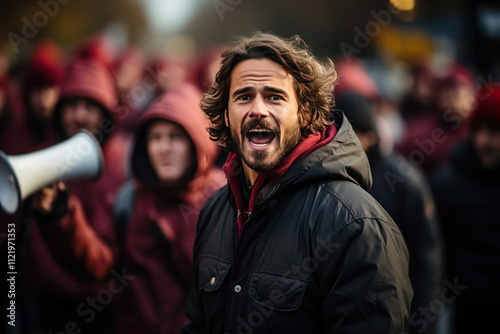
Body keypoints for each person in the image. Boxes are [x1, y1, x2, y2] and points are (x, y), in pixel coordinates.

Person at [181, 32, 412, 334]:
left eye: (275, 97)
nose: (258, 110)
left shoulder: (357, 225)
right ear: (225, 113)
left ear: (305, 113)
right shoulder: (215, 209)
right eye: (243, 96)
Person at [25, 52, 130, 333]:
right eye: (71, 105)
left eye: (90, 106)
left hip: (100, 311)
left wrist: (60, 216)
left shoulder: (122, 165)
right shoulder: (38, 159)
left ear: (106, 113)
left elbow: (104, 260)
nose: (80, 115)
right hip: (44, 305)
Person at [336, 92, 444, 334]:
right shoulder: (326, 179)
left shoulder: (404, 180)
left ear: (371, 136)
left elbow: (426, 258)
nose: (342, 140)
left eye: (353, 133)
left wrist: (422, 322)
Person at [432, 86, 500, 334]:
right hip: (465, 315)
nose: (484, 141)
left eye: (494, 131)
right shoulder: (447, 186)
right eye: (478, 130)